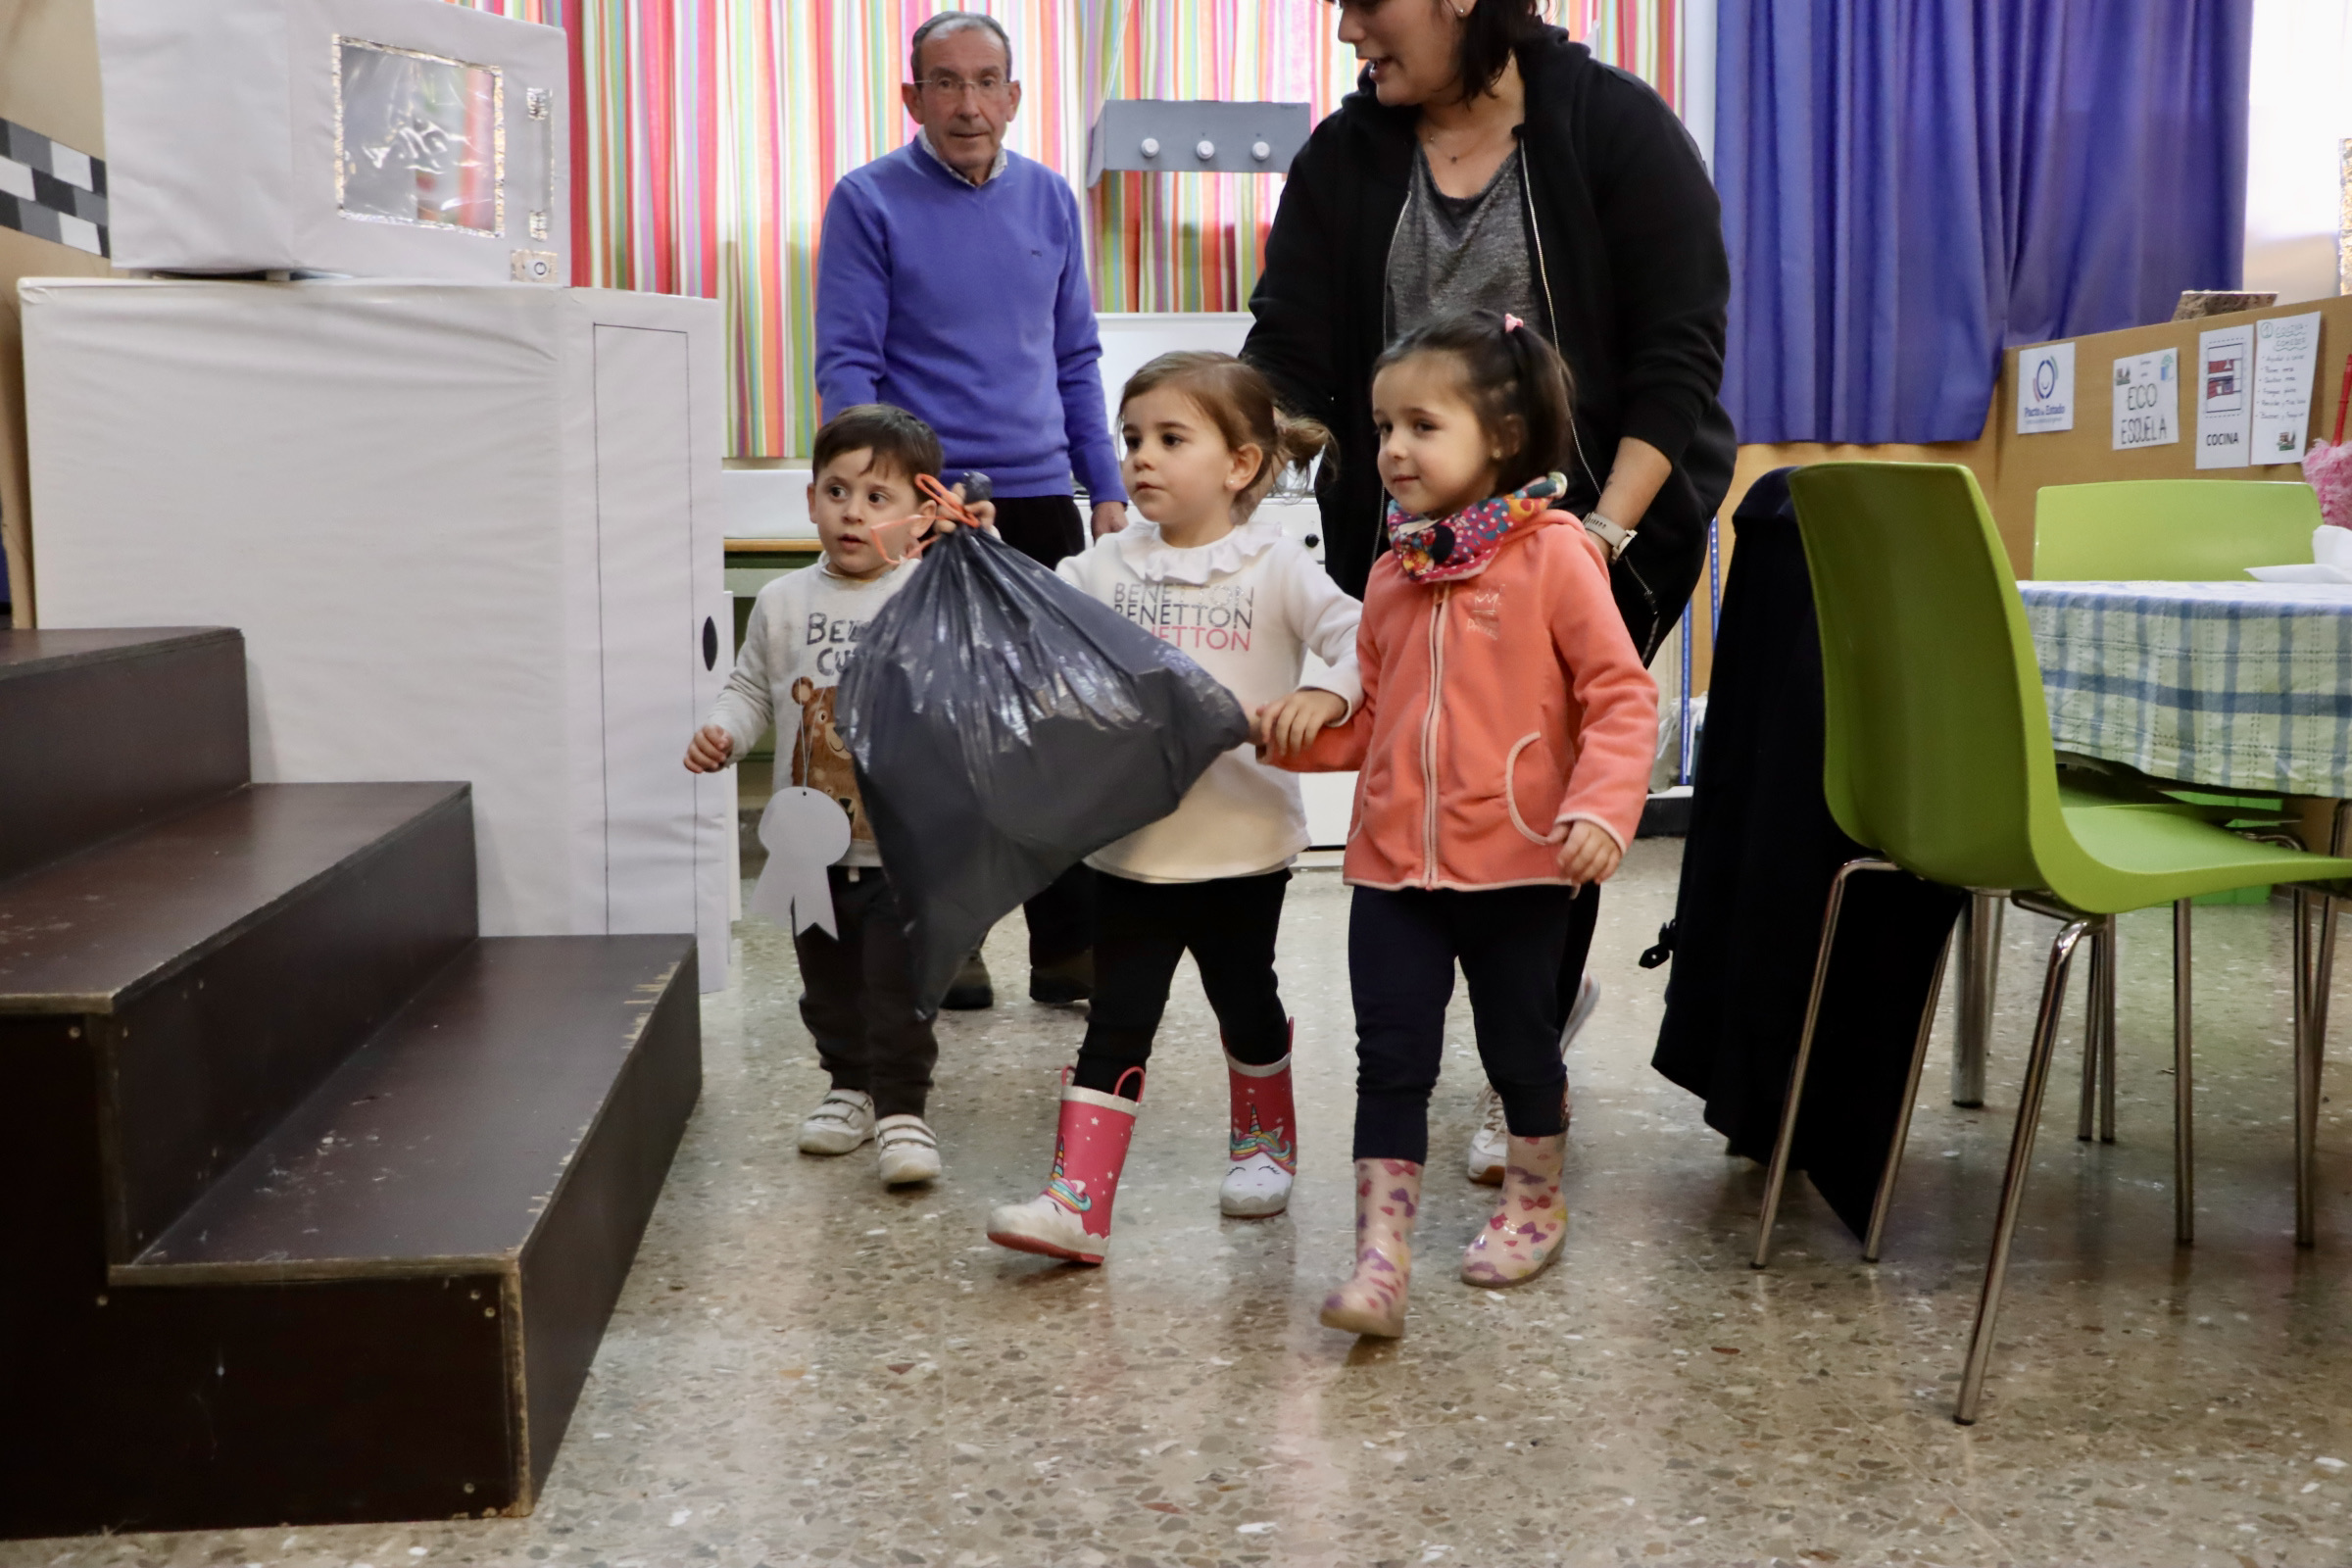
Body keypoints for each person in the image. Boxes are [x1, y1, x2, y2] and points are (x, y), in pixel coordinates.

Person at [1242, 0, 1735, 1182]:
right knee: (1434, 759)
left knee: (1547, 783)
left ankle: (1526, 1072)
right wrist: (1219, 465)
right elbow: (1289, 349)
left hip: (1597, 527)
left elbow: (1678, 355)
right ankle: (1469, 1043)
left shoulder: (1611, 128)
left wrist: (1603, 536)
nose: (1351, 30)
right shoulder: (1347, 156)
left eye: (1369, 5)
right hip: (1407, 551)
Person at [1267, 313, 1656, 1337]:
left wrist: (1600, 809)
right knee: (1390, 1056)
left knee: (1519, 1047)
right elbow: (1375, 725)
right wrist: (1301, 729)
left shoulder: (1556, 556)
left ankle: (1534, 1201)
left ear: (1504, 436)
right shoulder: (1394, 572)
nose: (1392, 448)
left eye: (1421, 425)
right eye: (1384, 425)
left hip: (1521, 863)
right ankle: (1379, 1256)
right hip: (1393, 867)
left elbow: (1620, 697)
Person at [984, 353, 1363, 1266]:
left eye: (1169, 438)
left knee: (1247, 1003)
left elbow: (1362, 635)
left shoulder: (1274, 566)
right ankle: (1076, 1201)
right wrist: (985, 548)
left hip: (1244, 848)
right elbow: (1034, 621)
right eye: (1131, 440)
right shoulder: (1106, 563)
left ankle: (1265, 1146)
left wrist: (1330, 698)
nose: (1141, 458)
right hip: (1130, 851)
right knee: (1120, 1017)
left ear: (1239, 465)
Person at [814, 9, 1126, 1011]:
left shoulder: (1048, 201)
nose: (968, 104)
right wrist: (868, 494)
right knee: (938, 737)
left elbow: (1075, 358)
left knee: (1058, 731)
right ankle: (953, 936)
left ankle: (1068, 947)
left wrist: (1107, 487)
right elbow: (848, 361)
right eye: (944, 83)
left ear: (1016, 94)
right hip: (924, 501)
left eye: (987, 81)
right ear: (913, 98)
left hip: (1038, 500)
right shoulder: (868, 201)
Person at [685, 405, 983, 1190]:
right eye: (838, 491)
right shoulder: (784, 601)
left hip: (902, 847)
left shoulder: (930, 595)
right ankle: (847, 1087)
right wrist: (722, 728)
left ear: (922, 515)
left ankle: (902, 1110)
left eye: (878, 497)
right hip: (804, 849)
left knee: (898, 984)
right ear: (810, 498)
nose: (854, 512)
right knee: (827, 981)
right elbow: (750, 686)